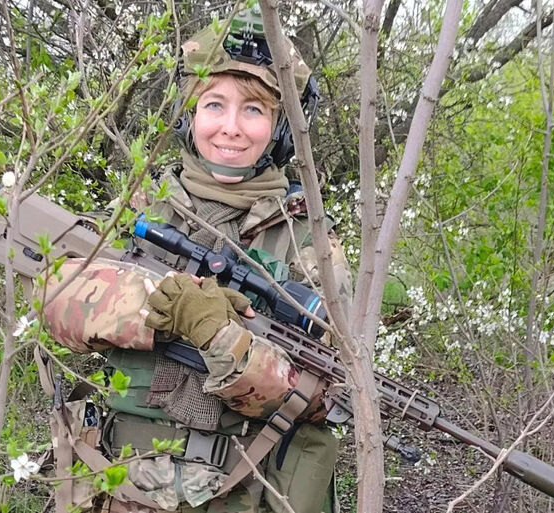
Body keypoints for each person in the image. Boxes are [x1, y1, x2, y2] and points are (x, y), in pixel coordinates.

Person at [41, 4, 352, 513]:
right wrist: (158, 305)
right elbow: (55, 296)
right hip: (118, 483)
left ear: (281, 128)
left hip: (245, 492)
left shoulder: (308, 238)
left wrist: (221, 338)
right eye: (214, 104)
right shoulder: (144, 206)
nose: (231, 127)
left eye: (254, 110)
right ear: (190, 113)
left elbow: (331, 394)